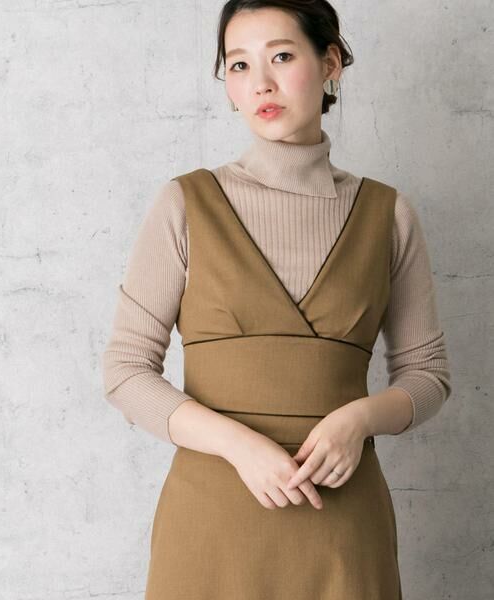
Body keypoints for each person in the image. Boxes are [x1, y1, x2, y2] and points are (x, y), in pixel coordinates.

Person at [102, 1, 452, 598]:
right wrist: (238, 445)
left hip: (343, 524)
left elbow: (428, 373)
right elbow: (125, 370)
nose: (260, 82)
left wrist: (359, 419)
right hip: (210, 523)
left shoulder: (388, 214)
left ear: (331, 63)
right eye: (238, 65)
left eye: (282, 56)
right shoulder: (185, 204)